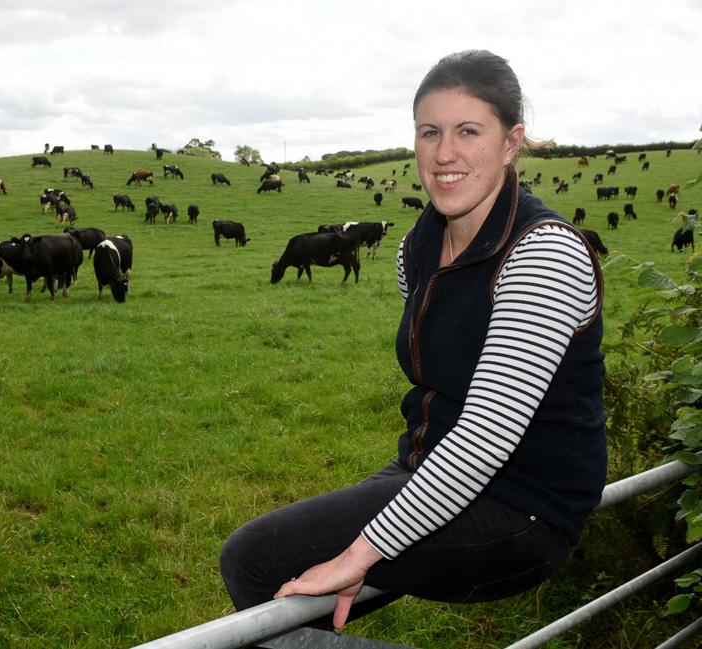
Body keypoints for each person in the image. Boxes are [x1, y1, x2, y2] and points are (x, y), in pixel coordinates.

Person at [219, 49, 607, 630]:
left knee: (254, 559)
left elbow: (486, 435)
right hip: (430, 466)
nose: (444, 153)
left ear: (511, 142)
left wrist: (360, 555)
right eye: (430, 132)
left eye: (468, 131)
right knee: (291, 579)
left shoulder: (542, 253)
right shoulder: (415, 249)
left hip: (525, 508)